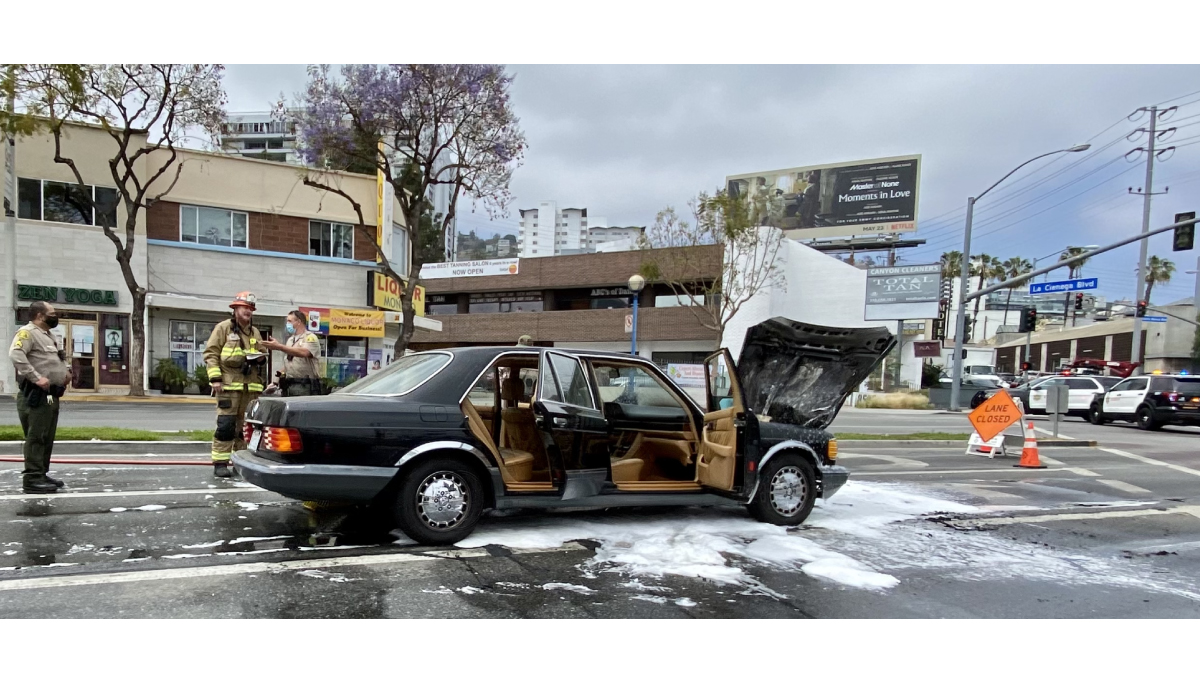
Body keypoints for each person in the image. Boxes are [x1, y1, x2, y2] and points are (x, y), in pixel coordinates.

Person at [8, 301, 71, 494]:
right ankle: (32, 479)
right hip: (36, 395)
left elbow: (56, 359)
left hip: (51, 395)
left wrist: (66, 372)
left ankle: (41, 473)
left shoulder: (48, 335)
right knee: (36, 436)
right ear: (40, 316)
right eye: (52, 313)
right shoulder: (27, 333)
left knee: (47, 436)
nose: (55, 316)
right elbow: (16, 355)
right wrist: (36, 378)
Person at [204, 291, 268, 478]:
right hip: (229, 388)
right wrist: (215, 379)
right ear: (235, 309)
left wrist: (260, 360)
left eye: (250, 308)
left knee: (245, 428)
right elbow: (211, 354)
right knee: (226, 426)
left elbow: (262, 353)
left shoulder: (254, 332)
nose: (248, 311)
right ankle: (220, 463)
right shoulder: (223, 328)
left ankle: (239, 462)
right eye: (245, 307)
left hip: (250, 389)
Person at [263, 310, 323, 397]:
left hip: (306, 386)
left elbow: (304, 352)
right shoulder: (291, 340)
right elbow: (288, 364)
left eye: (290, 321)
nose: (287, 324)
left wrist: (279, 347)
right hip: (289, 385)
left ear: (299, 322)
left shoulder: (310, 337)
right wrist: (275, 381)